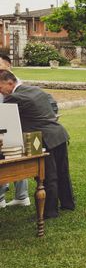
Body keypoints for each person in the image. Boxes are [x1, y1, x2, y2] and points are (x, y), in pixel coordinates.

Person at [0, 70, 75, 219]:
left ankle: (49, 212)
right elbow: (53, 105)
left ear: (10, 83)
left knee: (48, 176)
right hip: (58, 133)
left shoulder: (12, 98)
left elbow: (6, 119)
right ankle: (68, 203)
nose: (1, 92)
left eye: (0, 88)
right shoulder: (35, 89)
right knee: (62, 172)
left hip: (43, 138)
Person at [0, 55, 30, 209]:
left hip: (11, 124)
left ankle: (19, 196)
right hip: (9, 123)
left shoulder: (12, 83)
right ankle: (14, 196)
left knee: (13, 157)